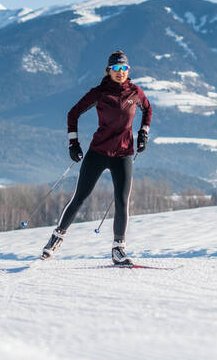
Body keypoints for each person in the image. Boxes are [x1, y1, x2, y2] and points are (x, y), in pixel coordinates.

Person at [40, 50, 152, 265]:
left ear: (129, 71)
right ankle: (55, 239)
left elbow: (148, 110)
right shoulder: (99, 93)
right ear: (108, 71)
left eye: (124, 68)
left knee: (121, 201)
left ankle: (118, 249)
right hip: (98, 152)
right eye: (116, 69)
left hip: (123, 153)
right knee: (80, 197)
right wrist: (73, 143)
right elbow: (72, 114)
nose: (120, 72)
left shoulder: (135, 92)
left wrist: (143, 133)